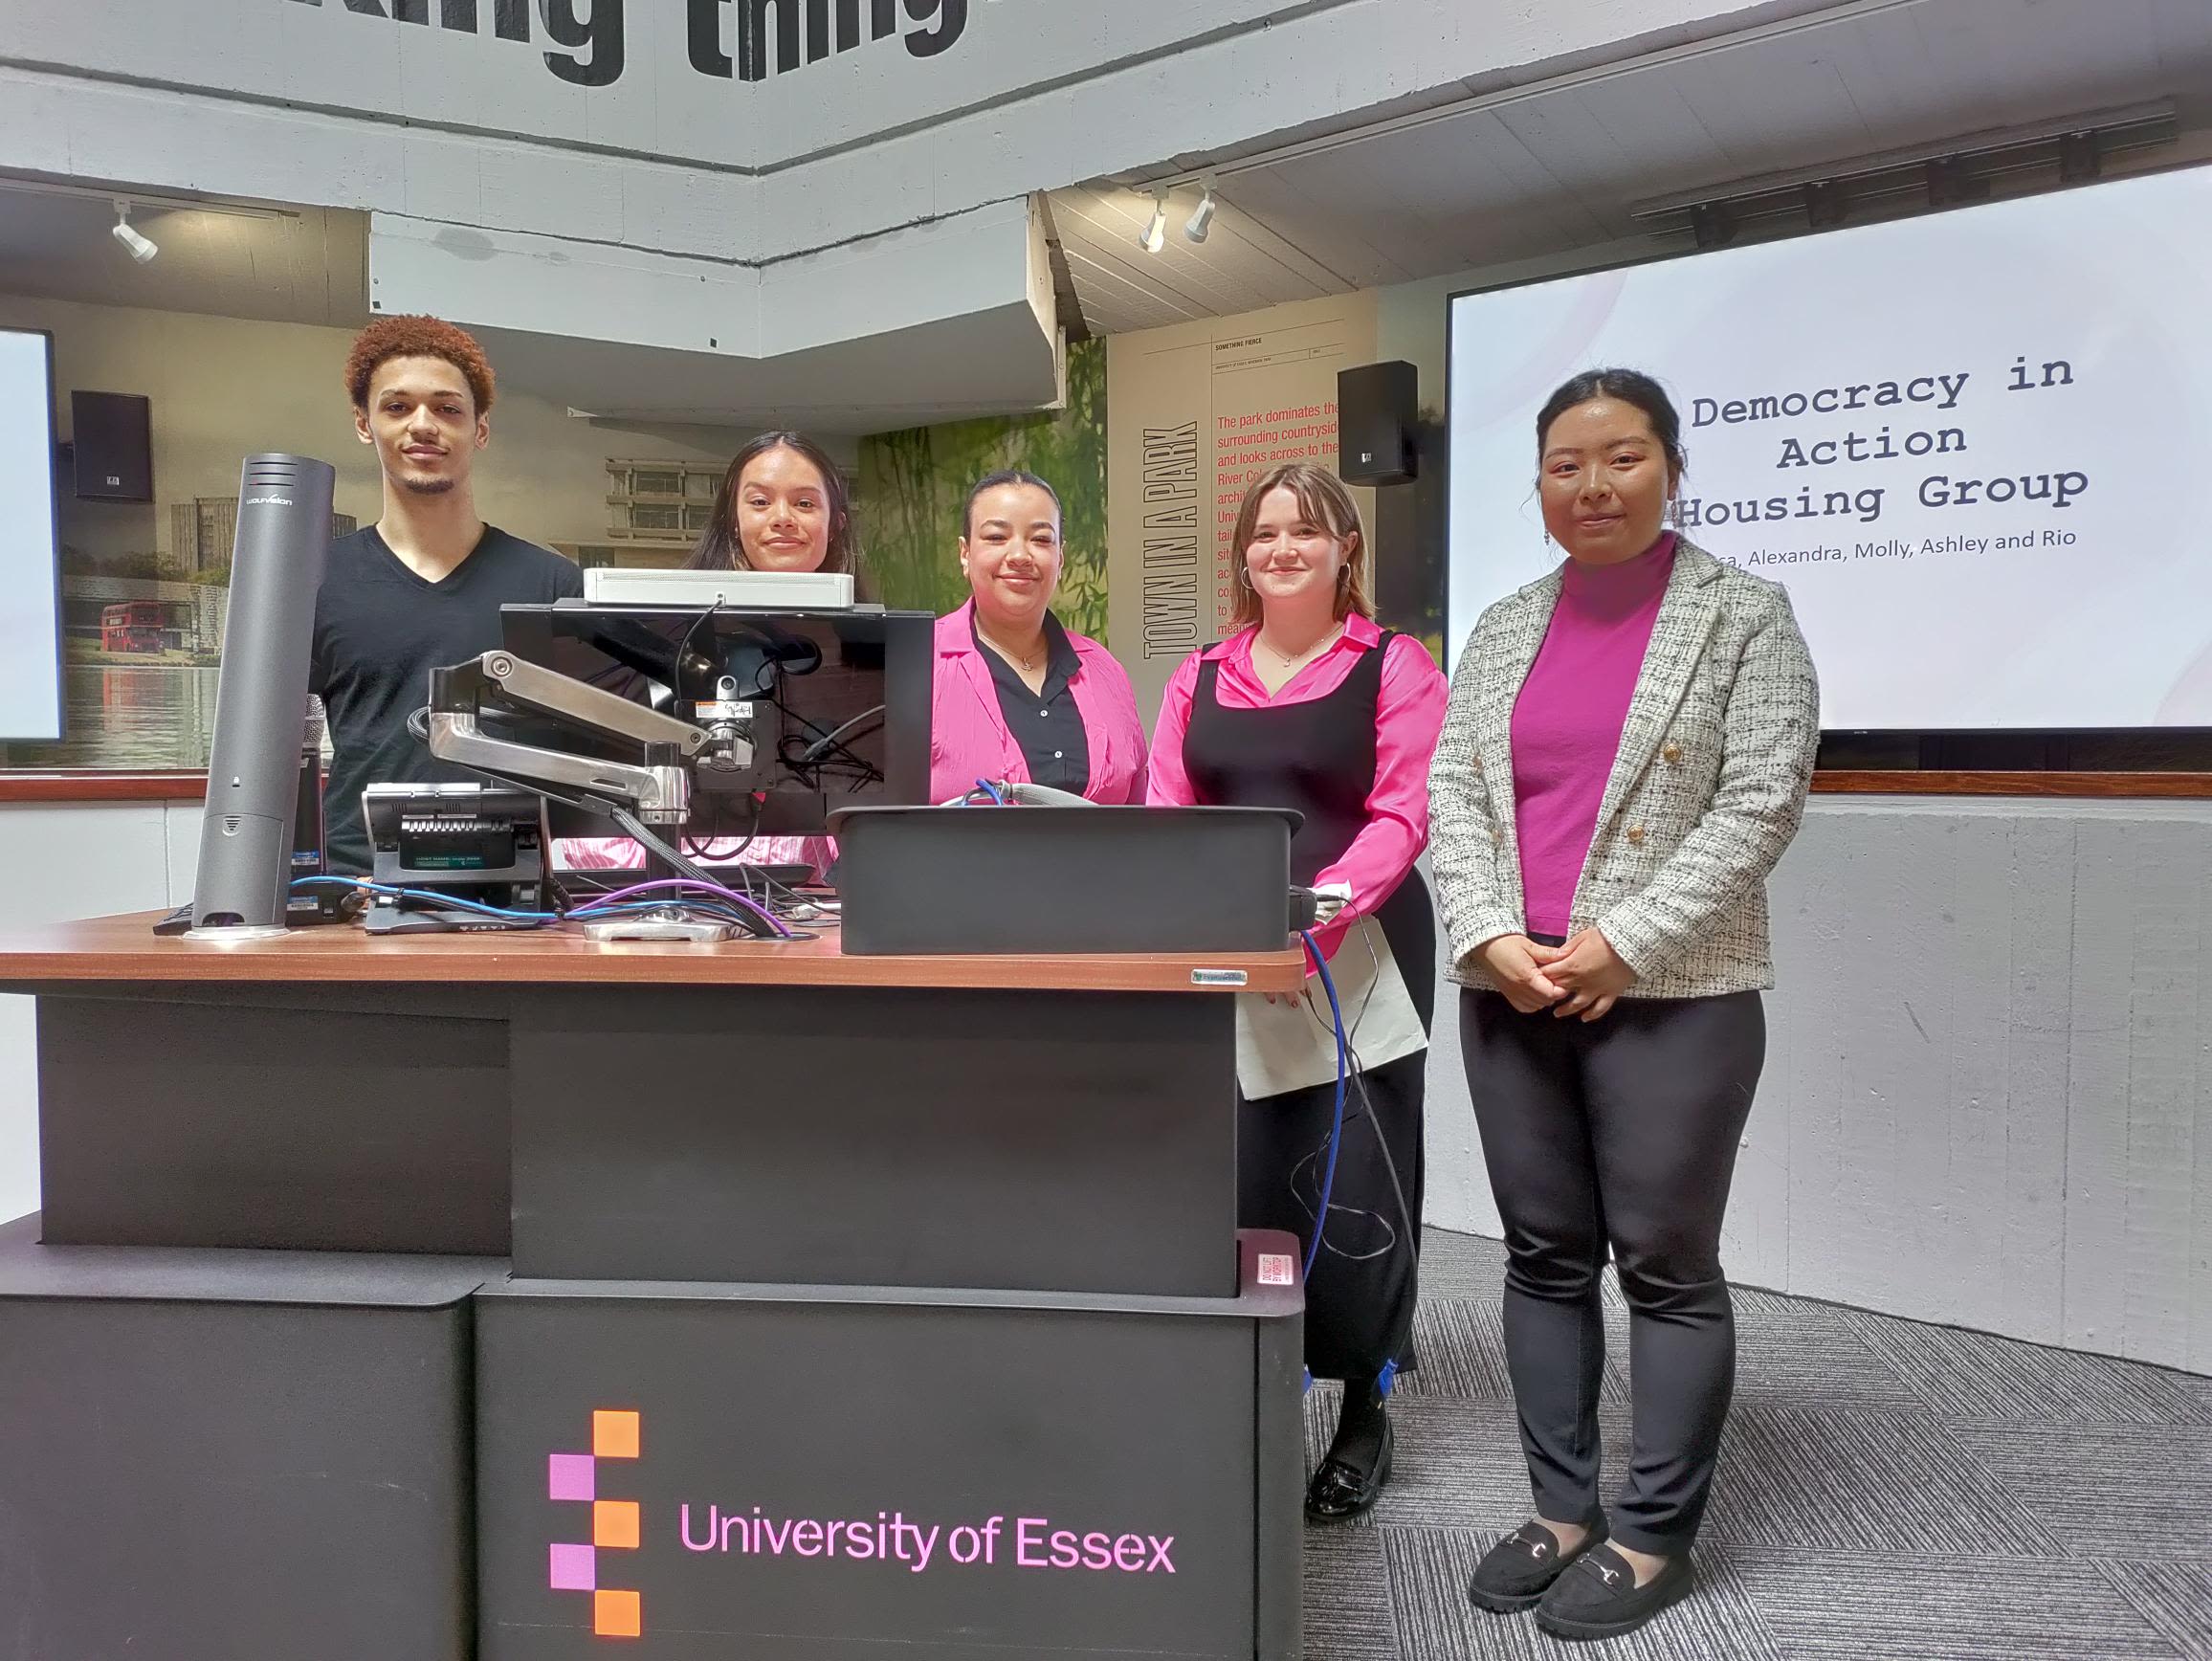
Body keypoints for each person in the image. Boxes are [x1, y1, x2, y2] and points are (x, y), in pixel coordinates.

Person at [1428, 369, 1819, 1642]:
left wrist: (1624, 943)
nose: (1593, 485)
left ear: (1671, 466)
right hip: (1514, 991)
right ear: (1538, 482)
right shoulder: (1500, 626)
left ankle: (1653, 1534)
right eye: (1565, 464)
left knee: (1664, 1265)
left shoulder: (1745, 617)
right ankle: (1561, 1510)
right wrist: (1492, 930)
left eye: (1623, 457)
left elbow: (1759, 804)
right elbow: (1458, 799)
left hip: (1675, 998)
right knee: (1543, 1258)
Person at [1146, 463, 1448, 1520]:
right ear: (1241, 553)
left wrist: (1317, 903)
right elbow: (1166, 804)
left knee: (1358, 1175)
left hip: (1356, 951)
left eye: (1305, 532)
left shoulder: (1395, 665)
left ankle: (1365, 1401)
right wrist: (1210, 911)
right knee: (1242, 1171)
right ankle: (1252, 1385)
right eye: (1264, 532)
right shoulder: (1200, 672)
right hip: (1226, 953)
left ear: (1344, 549)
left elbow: (1404, 811)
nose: (1281, 548)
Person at [312, 315, 582, 875]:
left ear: (480, 429)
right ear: (364, 424)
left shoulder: (553, 585)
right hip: (358, 882)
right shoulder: (315, 580)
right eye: (397, 407)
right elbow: (275, 750)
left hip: (519, 883)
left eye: (447, 408)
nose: (423, 425)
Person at [562, 431, 855, 877]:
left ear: (834, 522)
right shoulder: (654, 632)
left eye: (805, 504)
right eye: (759, 502)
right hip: (659, 873)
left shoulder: (862, 647)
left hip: (805, 896)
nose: (782, 518)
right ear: (732, 519)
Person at [931, 471, 1145, 804]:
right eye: (997, 537)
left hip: (1101, 857)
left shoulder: (1105, 670)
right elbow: (862, 812)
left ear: (1060, 558)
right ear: (965, 553)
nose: (1019, 555)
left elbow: (1140, 807)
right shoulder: (918, 663)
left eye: (1041, 539)